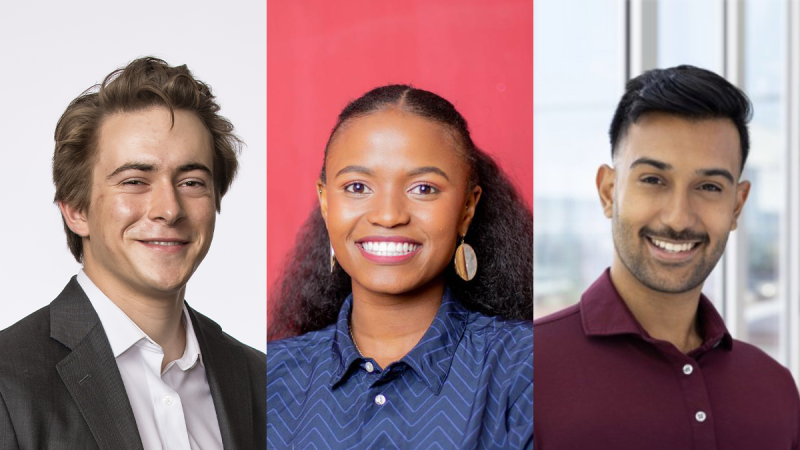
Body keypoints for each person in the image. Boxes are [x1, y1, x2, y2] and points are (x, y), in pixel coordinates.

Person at [0, 57, 265, 449]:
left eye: (191, 182)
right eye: (135, 181)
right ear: (76, 209)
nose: (169, 209)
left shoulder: (261, 380)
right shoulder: (8, 384)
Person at [534, 65, 800, 449]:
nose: (678, 217)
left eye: (708, 186)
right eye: (653, 180)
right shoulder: (525, 373)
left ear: (737, 206)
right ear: (609, 191)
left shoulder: (775, 388)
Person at [267, 85, 533, 448]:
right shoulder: (268, 378)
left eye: (423, 189)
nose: (389, 215)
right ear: (326, 203)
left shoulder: (525, 371)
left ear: (467, 210)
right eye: (357, 186)